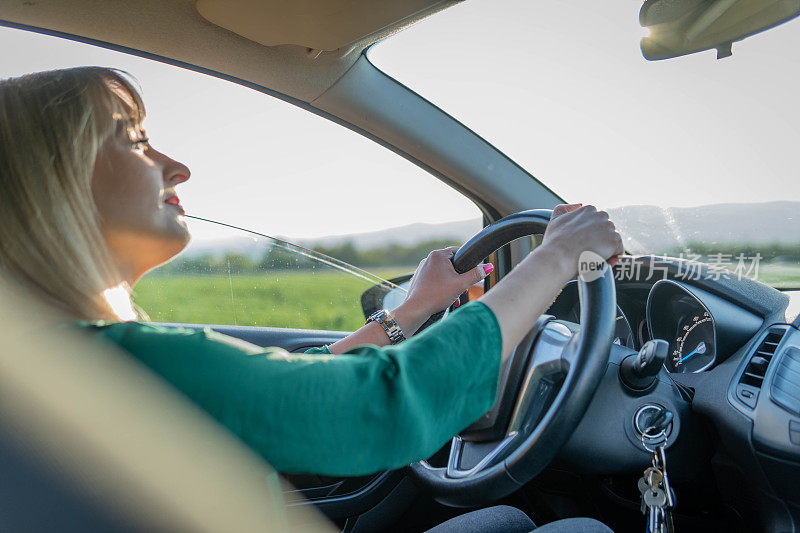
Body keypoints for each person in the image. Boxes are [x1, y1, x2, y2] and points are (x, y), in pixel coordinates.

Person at [0, 67, 621, 532]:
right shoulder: (123, 365)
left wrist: (407, 312)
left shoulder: (52, 367)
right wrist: (555, 258)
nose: (177, 166)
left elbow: (284, 394)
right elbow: (379, 406)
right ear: (52, 184)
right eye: (135, 142)